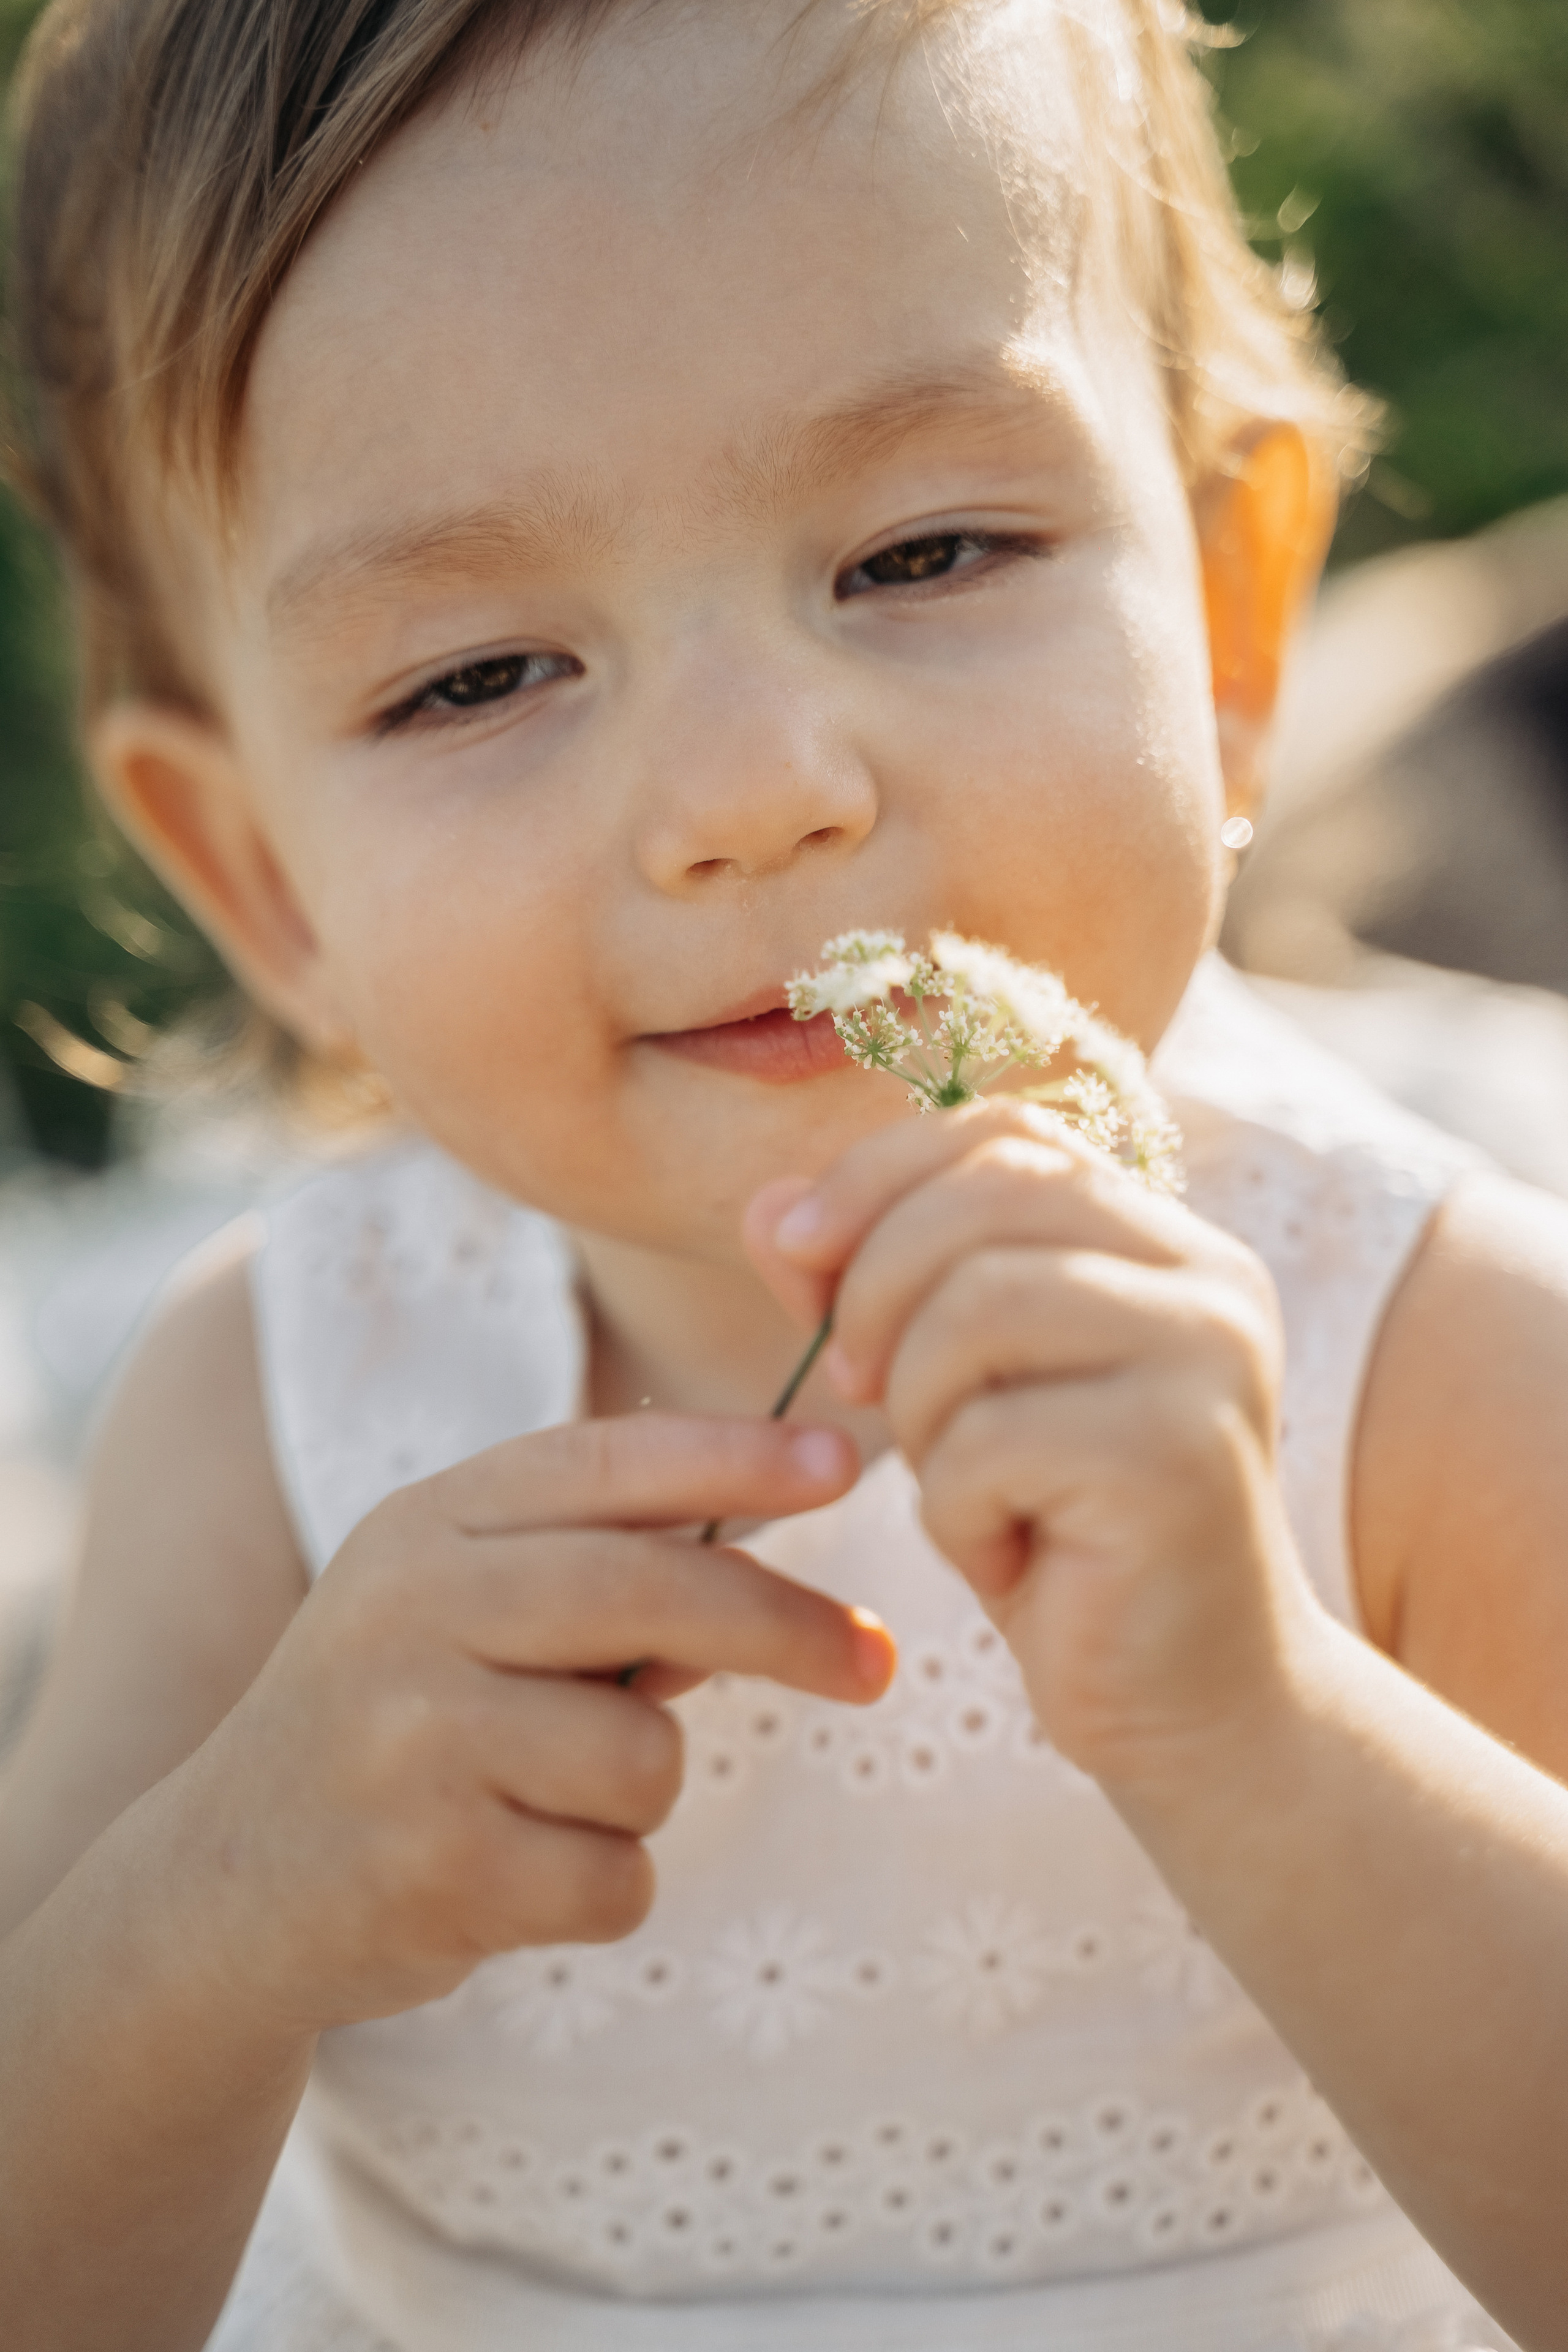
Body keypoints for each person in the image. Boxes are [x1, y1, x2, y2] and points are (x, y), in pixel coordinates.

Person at [3, 2, 1568, 2347]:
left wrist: (1255, 1717)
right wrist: (223, 1905)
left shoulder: (1420, 1339)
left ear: (1238, 621)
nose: (754, 790)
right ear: (263, 879)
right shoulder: (275, 1413)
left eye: (923, 548)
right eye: (479, 676)